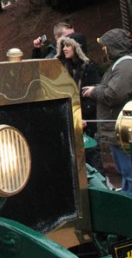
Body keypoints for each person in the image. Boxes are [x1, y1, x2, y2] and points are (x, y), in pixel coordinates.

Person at [82, 28, 132, 194]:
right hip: (118, 131)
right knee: (125, 171)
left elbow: (114, 94)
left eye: (104, 47)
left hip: (124, 131)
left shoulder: (125, 65)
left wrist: (94, 92)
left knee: (129, 172)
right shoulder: (120, 64)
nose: (103, 50)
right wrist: (97, 88)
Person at [56, 35, 102, 170]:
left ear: (77, 47)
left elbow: (93, 98)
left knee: (91, 160)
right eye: (63, 46)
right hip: (68, 120)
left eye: (68, 45)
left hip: (87, 123)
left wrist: (82, 117)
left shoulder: (89, 68)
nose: (64, 49)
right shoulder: (62, 68)